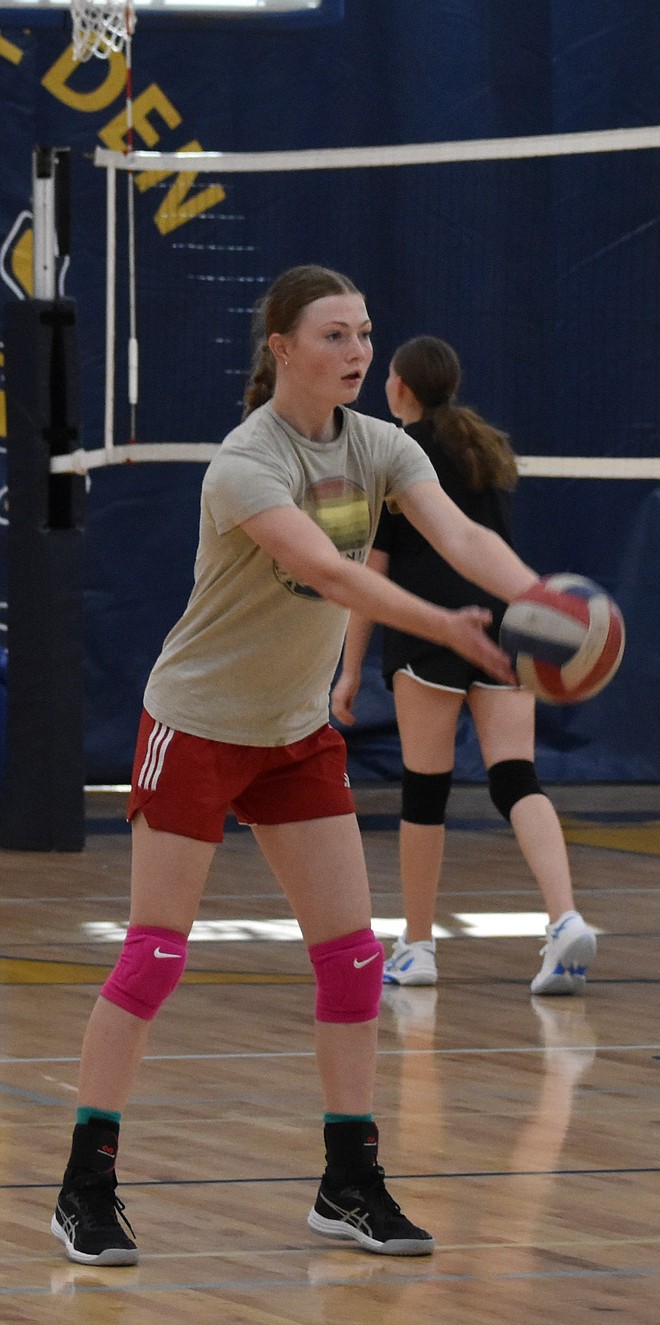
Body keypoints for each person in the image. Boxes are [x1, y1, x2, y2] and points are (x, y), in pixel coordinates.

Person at [50, 266, 546, 1268]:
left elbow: (460, 534)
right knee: (153, 956)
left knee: (356, 958)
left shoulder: (384, 445)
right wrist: (442, 622)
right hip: (196, 723)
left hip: (292, 729)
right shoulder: (244, 463)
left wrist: (546, 599)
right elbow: (327, 570)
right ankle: (85, 1183)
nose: (357, 349)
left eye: (365, 332)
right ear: (281, 346)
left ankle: (347, 1179)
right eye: (334, 334)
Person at [330, 335, 597, 997]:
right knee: (515, 775)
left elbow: (374, 570)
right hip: (504, 629)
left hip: (428, 631)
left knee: (425, 791)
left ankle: (417, 946)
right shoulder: (485, 449)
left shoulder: (399, 454)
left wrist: (348, 670)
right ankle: (564, 917)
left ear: (401, 388)